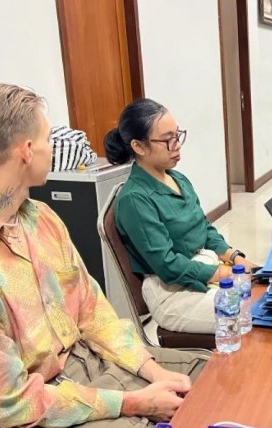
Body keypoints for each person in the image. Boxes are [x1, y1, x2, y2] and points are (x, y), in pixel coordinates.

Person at [0, 82, 210, 427]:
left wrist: (153, 371)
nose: (52, 149)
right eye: (47, 139)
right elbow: (12, 403)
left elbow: (94, 313)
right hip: (44, 404)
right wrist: (134, 403)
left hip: (94, 362)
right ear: (26, 151)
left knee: (214, 379)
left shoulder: (42, 219)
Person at [105, 98, 254, 335]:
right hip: (172, 293)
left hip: (203, 269)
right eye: (167, 140)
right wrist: (223, 273)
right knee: (251, 315)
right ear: (139, 146)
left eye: (177, 135)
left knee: (264, 297)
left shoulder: (178, 179)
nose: (176, 145)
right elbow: (167, 265)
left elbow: (204, 229)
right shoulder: (135, 199)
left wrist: (234, 257)